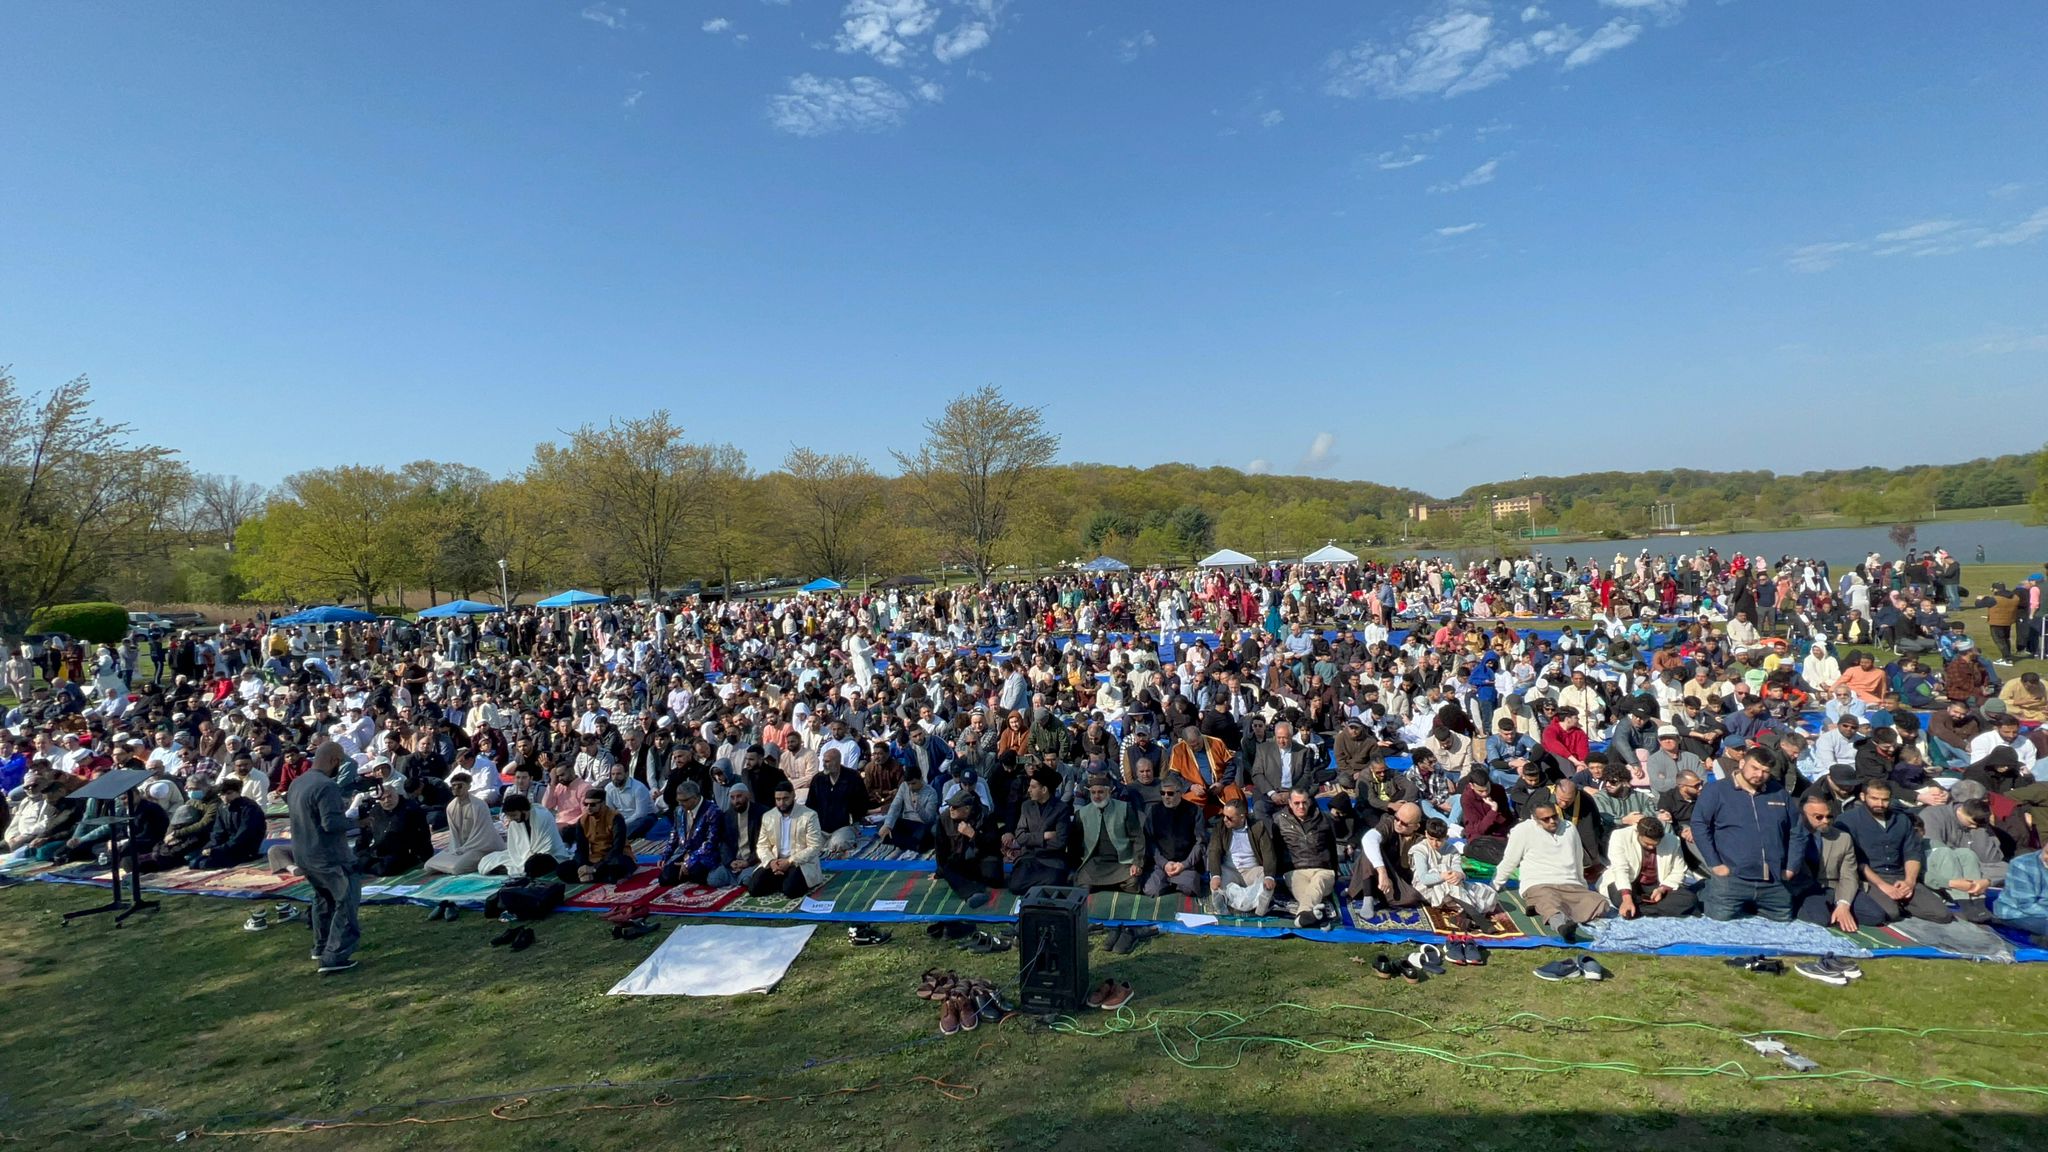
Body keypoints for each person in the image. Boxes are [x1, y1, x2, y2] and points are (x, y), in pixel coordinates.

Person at [1691, 748, 1805, 921]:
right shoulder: (1717, 790)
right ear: (1742, 763)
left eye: (1766, 771)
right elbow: (1699, 825)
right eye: (1755, 768)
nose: (1759, 775)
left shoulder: (1779, 793)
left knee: (1783, 923)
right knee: (1719, 921)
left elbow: (1797, 831)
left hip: (1774, 880)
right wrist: (1715, 864)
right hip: (1732, 877)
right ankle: (1705, 889)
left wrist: (1791, 868)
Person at [287, 742, 361, 974]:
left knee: (323, 900)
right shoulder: (327, 786)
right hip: (329, 856)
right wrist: (358, 822)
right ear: (334, 761)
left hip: (304, 853)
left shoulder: (298, 782)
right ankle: (334, 957)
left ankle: (320, 946)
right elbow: (331, 824)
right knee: (345, 901)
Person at [1836, 778, 1951, 925]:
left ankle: (1904, 903)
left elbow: (1912, 854)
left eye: (1885, 800)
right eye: (1875, 798)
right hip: (1869, 878)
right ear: (1863, 797)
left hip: (1898, 875)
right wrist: (1883, 886)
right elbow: (1855, 861)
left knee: (1943, 914)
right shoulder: (1848, 820)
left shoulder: (1902, 819)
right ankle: (1894, 905)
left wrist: (1909, 882)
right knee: (1889, 913)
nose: (1880, 804)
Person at [1494, 801, 1610, 941]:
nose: (1552, 821)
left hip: (1570, 884)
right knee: (1549, 903)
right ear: (1535, 820)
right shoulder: (1523, 830)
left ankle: (1546, 909)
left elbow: (1578, 858)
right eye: (1546, 819)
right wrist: (1495, 885)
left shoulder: (1569, 828)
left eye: (1554, 816)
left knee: (1600, 902)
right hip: (1539, 884)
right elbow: (1510, 860)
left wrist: (1582, 885)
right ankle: (1562, 927)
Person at [1599, 817, 1699, 918]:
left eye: (1655, 844)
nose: (1651, 847)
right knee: (1617, 896)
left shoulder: (1673, 841)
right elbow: (1620, 869)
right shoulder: (1620, 836)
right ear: (1638, 833)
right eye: (1647, 844)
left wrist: (1662, 889)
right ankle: (1636, 905)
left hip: (1657, 885)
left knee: (1689, 899)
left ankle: (1639, 910)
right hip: (1630, 883)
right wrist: (1627, 899)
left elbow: (1679, 871)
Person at [1271, 784, 1340, 929]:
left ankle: (1303, 916)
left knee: (1318, 881)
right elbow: (1276, 848)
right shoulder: (1278, 821)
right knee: (1306, 893)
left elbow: (1332, 846)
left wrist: (1335, 871)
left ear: (1309, 802)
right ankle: (1317, 916)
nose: (1301, 806)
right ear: (1289, 803)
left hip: (1323, 869)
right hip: (1295, 870)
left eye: (1304, 802)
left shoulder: (1324, 819)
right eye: (1296, 803)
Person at [1069, 772, 1147, 894]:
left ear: (1109, 792)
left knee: (1133, 882)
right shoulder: (1082, 814)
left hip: (1122, 861)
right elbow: (1074, 844)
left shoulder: (1125, 808)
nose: (1096, 796)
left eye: (1100, 792)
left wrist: (1137, 863)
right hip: (1094, 864)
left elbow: (1137, 838)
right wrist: (1076, 867)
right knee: (1082, 887)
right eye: (1093, 793)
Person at [1206, 799, 1281, 917]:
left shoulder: (1258, 826)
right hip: (1230, 870)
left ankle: (1248, 903)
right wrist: (1216, 876)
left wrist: (1269, 876)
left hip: (1252, 870)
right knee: (1217, 881)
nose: (1225, 819)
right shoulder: (1220, 826)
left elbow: (1268, 852)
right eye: (1224, 816)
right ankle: (1244, 903)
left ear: (1242, 817)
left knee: (1265, 879)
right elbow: (1213, 851)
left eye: (1230, 817)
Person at [749, 781, 823, 899]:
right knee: (754, 888)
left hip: (799, 862)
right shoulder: (768, 816)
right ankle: (781, 878)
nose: (781, 803)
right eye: (778, 799)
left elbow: (815, 846)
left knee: (791, 891)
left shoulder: (809, 815)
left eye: (785, 798)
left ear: (793, 795)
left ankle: (786, 881)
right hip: (775, 862)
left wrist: (789, 862)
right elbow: (762, 846)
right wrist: (771, 862)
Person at [1350, 801, 1424, 915]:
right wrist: (1382, 872)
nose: (1398, 823)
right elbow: (1369, 838)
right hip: (1374, 871)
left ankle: (1381, 895)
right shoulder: (1389, 823)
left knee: (1412, 897)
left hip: (1396, 876)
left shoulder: (1423, 836)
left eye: (1404, 823)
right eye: (1397, 818)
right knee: (1370, 849)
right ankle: (1368, 898)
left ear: (1416, 826)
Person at [424, 772, 504, 875]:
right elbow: (454, 834)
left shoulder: (479, 805)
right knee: (429, 866)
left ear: (468, 787)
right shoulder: (451, 807)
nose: (456, 788)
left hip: (481, 847)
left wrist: (465, 849)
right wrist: (456, 849)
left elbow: (482, 834)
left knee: (455, 869)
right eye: (453, 786)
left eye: (460, 786)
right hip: (461, 848)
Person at [1141, 775, 1205, 898]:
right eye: (1162, 793)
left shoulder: (1194, 811)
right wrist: (1164, 863)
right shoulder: (1153, 811)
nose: (1166, 797)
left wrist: (1184, 864)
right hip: (1161, 865)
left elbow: (1200, 842)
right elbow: (1149, 842)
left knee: (1188, 889)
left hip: (1186, 864)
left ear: (1180, 793)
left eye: (1170, 793)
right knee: (1151, 890)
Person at [481, 792, 572, 879]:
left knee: (534, 864)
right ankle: (517, 868)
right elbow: (515, 848)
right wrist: (525, 857)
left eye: (514, 815)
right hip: (525, 856)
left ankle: (514, 869)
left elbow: (547, 847)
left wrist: (530, 858)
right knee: (487, 860)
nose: (512, 819)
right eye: (510, 816)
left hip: (550, 855)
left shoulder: (542, 816)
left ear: (524, 810)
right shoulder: (514, 822)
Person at [934, 792, 1003, 905]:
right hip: (960, 860)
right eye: (950, 805)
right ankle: (972, 893)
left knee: (993, 877)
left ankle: (974, 884)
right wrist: (940, 872)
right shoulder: (944, 819)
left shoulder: (985, 816)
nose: (951, 809)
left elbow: (994, 845)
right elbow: (940, 848)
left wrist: (973, 835)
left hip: (983, 858)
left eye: (955, 807)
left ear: (966, 809)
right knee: (946, 868)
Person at [355, 779, 434, 877]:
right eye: (383, 798)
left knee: (386, 868)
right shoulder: (376, 811)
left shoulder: (411, 809)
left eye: (390, 796)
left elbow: (423, 836)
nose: (387, 800)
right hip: (381, 851)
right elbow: (368, 834)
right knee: (356, 859)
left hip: (404, 852)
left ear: (396, 795)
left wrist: (423, 856)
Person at [657, 779, 726, 886]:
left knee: (696, 873)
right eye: (678, 800)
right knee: (665, 879)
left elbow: (711, 842)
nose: (680, 804)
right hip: (684, 851)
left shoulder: (712, 811)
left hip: (704, 855)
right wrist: (666, 855)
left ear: (695, 798)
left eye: (683, 800)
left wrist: (691, 860)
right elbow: (674, 834)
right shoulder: (679, 810)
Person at [190, 777, 266, 869]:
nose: (225, 797)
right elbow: (218, 832)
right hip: (226, 846)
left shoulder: (249, 808)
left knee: (205, 864)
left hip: (244, 847)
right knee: (194, 863)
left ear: (238, 792)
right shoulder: (222, 808)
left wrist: (220, 849)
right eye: (222, 794)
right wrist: (210, 847)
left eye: (229, 793)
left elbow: (244, 835)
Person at [573, 785, 635, 883]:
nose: (588, 808)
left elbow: (617, 847)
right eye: (586, 804)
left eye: (593, 805)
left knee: (618, 864)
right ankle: (594, 875)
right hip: (595, 858)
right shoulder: (582, 821)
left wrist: (595, 868)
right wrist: (583, 866)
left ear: (603, 803)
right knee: (564, 869)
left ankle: (595, 875)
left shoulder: (615, 817)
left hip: (615, 857)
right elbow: (581, 848)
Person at [1992, 842, 2048, 944]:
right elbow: (2026, 905)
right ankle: (2036, 940)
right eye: (2047, 852)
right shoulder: (2021, 865)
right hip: (2017, 912)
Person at [877, 768, 939, 852]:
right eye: (908, 784)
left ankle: (896, 841)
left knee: (925, 834)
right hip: (906, 821)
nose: (910, 787)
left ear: (921, 779)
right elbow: (895, 806)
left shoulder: (931, 792)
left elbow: (929, 819)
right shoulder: (904, 786)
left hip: (921, 824)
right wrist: (888, 825)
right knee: (884, 825)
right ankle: (913, 845)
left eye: (913, 783)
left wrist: (918, 807)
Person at [604, 760, 656, 840]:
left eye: (618, 774)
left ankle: (618, 838)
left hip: (643, 818)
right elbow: (610, 811)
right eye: (613, 774)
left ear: (626, 774)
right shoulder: (609, 788)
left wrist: (623, 823)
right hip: (622, 819)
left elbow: (640, 814)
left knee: (642, 822)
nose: (615, 777)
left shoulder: (638, 788)